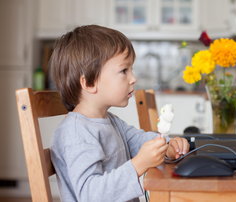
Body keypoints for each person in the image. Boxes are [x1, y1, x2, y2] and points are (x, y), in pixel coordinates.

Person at [49, 25, 189, 202]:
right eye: (124, 70)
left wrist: (167, 147)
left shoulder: (110, 121)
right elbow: (89, 195)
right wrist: (139, 164)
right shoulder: (76, 132)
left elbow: (139, 140)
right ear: (89, 83)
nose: (133, 78)